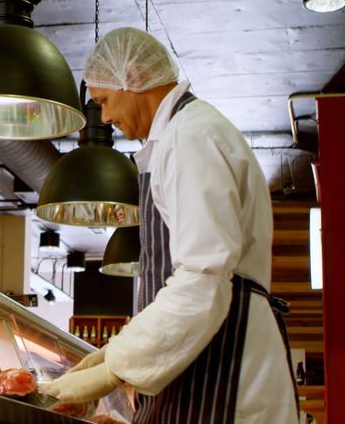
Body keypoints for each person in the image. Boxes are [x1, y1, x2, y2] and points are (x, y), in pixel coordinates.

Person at [38, 28, 298, 423]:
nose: (104, 117)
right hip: (209, 358)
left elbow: (203, 276)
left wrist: (114, 371)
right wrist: (115, 350)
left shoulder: (190, 138)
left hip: (223, 369)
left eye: (105, 100)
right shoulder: (183, 135)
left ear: (135, 77)